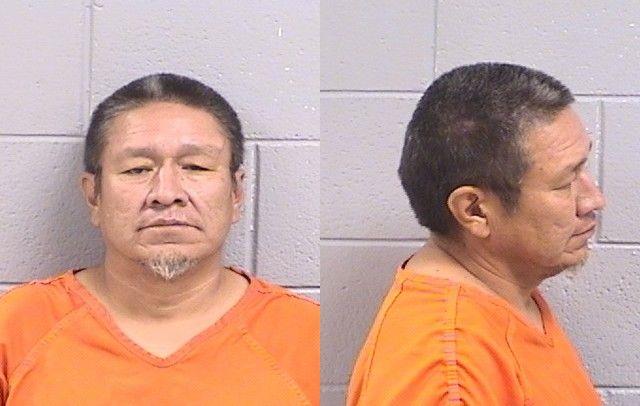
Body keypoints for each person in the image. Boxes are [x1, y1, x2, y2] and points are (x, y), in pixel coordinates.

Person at [0, 73, 319, 405]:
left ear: (236, 194)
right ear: (94, 196)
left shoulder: (305, 336)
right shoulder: (15, 328)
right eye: (137, 169)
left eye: (195, 167)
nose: (167, 194)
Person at [347, 63, 605, 405]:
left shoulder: (507, 292)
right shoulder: (449, 377)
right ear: (475, 211)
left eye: (582, 168)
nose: (593, 200)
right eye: (564, 183)